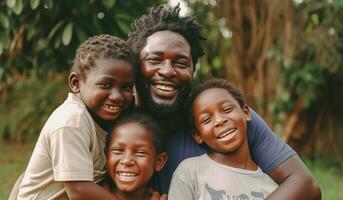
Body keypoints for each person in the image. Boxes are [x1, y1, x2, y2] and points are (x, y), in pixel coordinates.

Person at [127, 4, 321, 199]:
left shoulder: (225, 117)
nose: (168, 71)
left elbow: (304, 184)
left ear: (192, 70)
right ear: (136, 65)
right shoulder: (116, 121)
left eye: (181, 63)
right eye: (154, 60)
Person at [17, 34, 137, 200]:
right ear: (76, 83)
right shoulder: (72, 121)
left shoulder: (108, 119)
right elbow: (79, 190)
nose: (117, 96)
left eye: (126, 87)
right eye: (106, 85)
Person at [168, 79, 279, 199]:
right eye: (206, 120)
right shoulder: (189, 172)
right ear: (198, 136)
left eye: (227, 110)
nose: (219, 121)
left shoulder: (273, 188)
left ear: (246, 113)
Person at [103, 111, 168, 200]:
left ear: (159, 161)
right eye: (118, 150)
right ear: (106, 156)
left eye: (140, 153)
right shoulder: (87, 195)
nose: (127, 161)